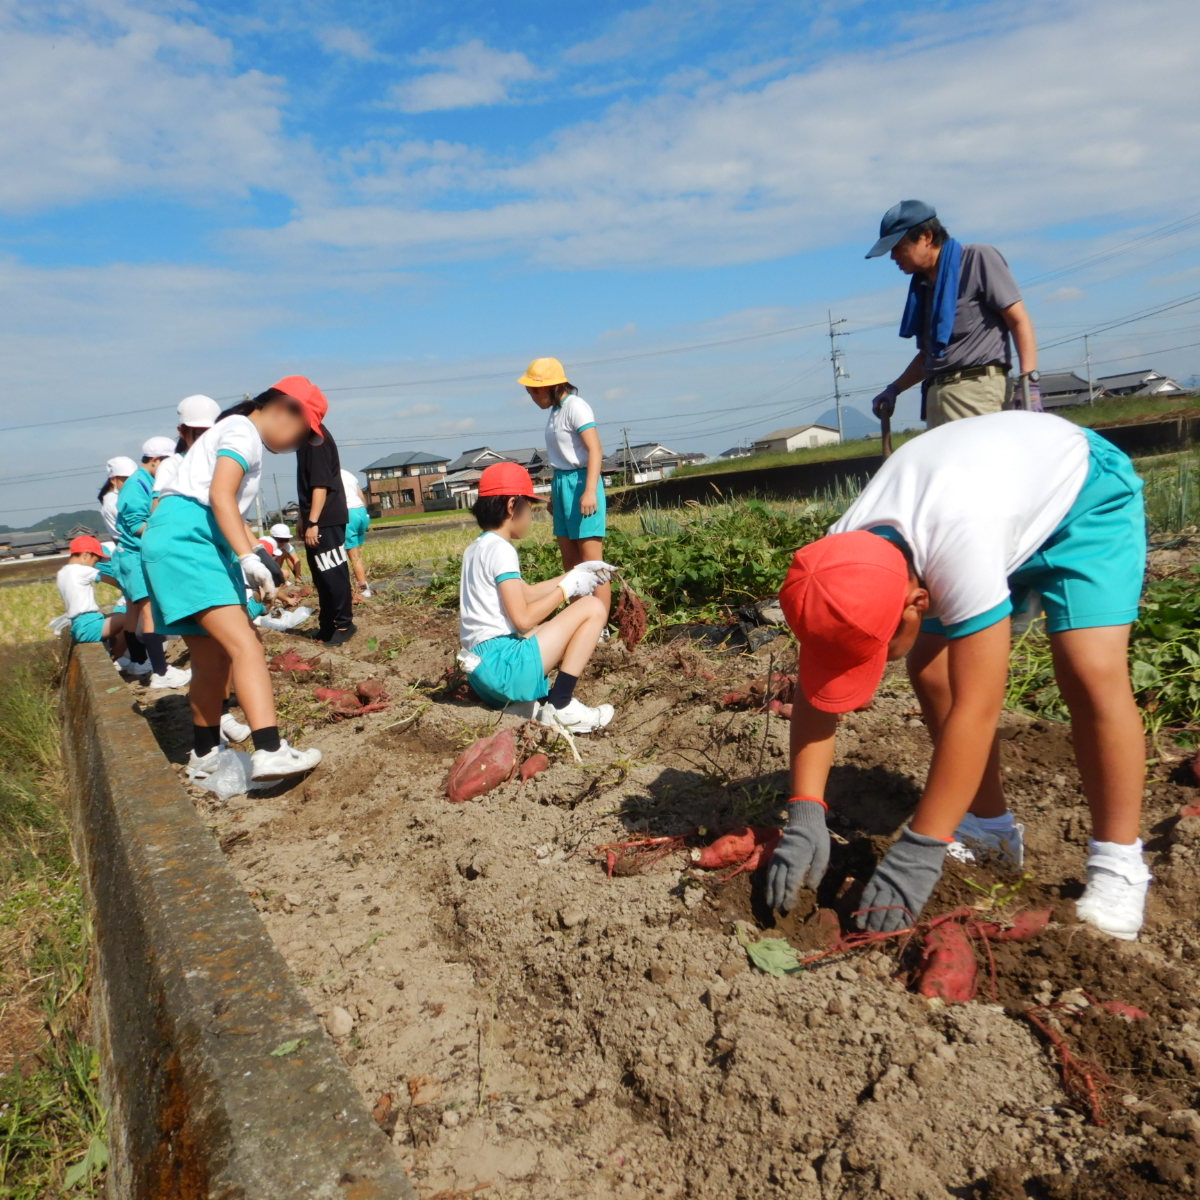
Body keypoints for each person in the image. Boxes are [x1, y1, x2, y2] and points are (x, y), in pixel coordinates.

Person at [765, 411, 1150, 941]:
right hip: (990, 498)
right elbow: (817, 692)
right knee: (930, 667)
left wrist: (921, 847)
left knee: (1090, 670)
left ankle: (1119, 862)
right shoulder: (836, 564)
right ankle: (990, 828)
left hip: (1083, 494)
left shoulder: (959, 551)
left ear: (917, 601)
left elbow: (979, 707)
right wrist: (806, 809)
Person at [142, 377, 328, 781]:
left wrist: (255, 555)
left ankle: (206, 755)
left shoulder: (228, 431)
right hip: (194, 540)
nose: (298, 445)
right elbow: (221, 497)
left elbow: (227, 509)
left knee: (212, 657)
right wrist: (246, 556)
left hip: (174, 539)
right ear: (285, 408)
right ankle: (270, 749)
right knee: (247, 644)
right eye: (303, 433)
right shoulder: (242, 430)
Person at [457, 462, 615, 734]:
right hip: (506, 670)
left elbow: (525, 593)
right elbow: (523, 618)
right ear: (511, 506)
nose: (530, 516)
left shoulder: (477, 547)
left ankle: (527, 703)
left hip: (483, 676)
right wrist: (567, 590)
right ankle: (561, 705)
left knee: (548, 628)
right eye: (529, 508)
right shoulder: (502, 550)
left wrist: (574, 575)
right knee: (592, 607)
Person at [866, 200, 1041, 429]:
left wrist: (1029, 381)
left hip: (978, 393)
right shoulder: (923, 287)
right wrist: (895, 388)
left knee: (980, 464)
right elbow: (930, 356)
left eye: (898, 247)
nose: (893, 257)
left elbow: (1018, 320)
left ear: (926, 237)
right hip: (936, 397)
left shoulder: (977, 259)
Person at [520, 357, 611, 614]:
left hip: (582, 482)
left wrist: (590, 490)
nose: (533, 397)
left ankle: (599, 623)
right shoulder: (555, 412)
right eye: (530, 392)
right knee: (570, 562)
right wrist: (554, 495)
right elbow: (561, 457)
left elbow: (595, 449)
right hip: (562, 484)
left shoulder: (576, 406)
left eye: (534, 391)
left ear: (551, 386)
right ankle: (579, 617)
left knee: (591, 561)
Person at [112, 436, 191, 689]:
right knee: (148, 611)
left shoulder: (144, 481)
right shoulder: (137, 485)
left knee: (136, 612)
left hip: (134, 554)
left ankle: (139, 661)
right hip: (135, 555)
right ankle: (160, 671)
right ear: (156, 460)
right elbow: (137, 525)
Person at [296, 414, 354, 646]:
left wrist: (313, 522)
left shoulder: (315, 440)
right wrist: (302, 516)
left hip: (326, 518)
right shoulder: (305, 440)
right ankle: (327, 625)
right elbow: (309, 486)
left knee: (332, 573)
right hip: (318, 518)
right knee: (321, 576)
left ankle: (344, 624)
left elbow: (320, 485)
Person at [56, 536, 126, 655]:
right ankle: (120, 659)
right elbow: (115, 582)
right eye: (96, 561)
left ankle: (115, 653)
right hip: (89, 626)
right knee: (127, 620)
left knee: (117, 615)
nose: (95, 565)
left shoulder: (62, 572)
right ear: (86, 556)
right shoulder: (83, 570)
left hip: (78, 624)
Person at [154, 394, 221, 503]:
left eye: (211, 432)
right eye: (199, 432)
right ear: (182, 431)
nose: (206, 438)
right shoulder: (171, 465)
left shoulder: (221, 463)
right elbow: (158, 506)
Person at [341, 467, 372, 598]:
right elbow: (361, 496)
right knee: (356, 554)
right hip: (361, 512)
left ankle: (362, 587)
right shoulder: (348, 474)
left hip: (348, 513)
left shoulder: (328, 474)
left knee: (349, 555)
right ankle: (362, 583)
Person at [98, 456, 137, 545]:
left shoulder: (115, 498)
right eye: (126, 480)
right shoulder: (114, 501)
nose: (131, 483)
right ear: (113, 480)